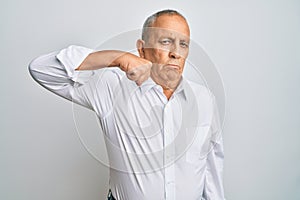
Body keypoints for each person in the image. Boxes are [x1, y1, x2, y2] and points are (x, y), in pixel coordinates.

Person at [29, 9, 225, 200]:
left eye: (183, 44)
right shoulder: (112, 87)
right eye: (166, 41)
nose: (176, 53)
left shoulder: (204, 99)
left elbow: (211, 168)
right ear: (141, 48)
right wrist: (118, 58)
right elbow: (41, 69)